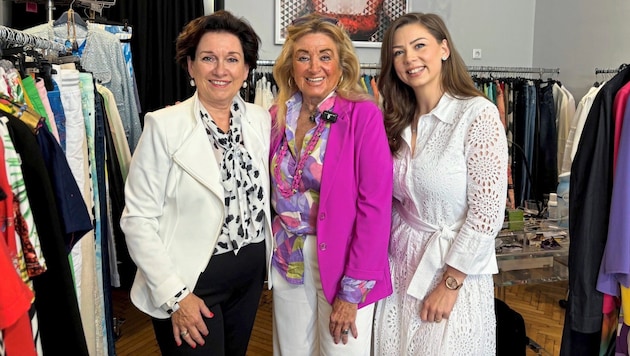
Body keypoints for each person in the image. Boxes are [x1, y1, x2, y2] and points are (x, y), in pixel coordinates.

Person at [119, 11, 272, 355]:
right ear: (190, 66)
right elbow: (137, 220)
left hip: (248, 278)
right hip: (190, 282)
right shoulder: (164, 126)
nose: (221, 70)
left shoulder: (260, 120)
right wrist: (176, 296)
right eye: (208, 58)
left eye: (232, 59)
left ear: (246, 69)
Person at [373, 12, 508, 355]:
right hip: (400, 266)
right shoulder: (395, 119)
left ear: (444, 49)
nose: (409, 59)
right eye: (398, 52)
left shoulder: (476, 114)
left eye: (420, 46)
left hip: (451, 269)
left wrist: (451, 283)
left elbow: (487, 213)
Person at [269, 13, 393, 355]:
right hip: (288, 258)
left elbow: (376, 206)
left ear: (341, 65)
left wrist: (352, 292)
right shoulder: (276, 116)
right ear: (290, 65)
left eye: (325, 56)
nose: (314, 67)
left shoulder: (362, 115)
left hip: (343, 262)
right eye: (303, 56)